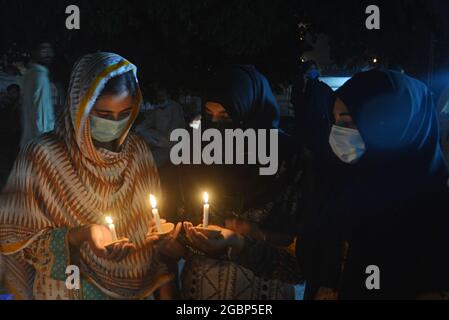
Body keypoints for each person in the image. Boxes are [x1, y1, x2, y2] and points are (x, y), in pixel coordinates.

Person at [184, 69, 449, 300]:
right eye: (335, 122)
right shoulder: (337, 188)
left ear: (393, 125)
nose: (339, 134)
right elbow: (301, 264)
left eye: (348, 122)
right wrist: (238, 244)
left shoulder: (434, 211)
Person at [0, 53, 176, 300]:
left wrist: (159, 238)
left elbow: (148, 228)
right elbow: (16, 238)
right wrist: (80, 235)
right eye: (104, 115)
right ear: (79, 106)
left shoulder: (137, 152)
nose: (115, 123)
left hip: (132, 292)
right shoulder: (42, 155)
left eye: (124, 113)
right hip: (66, 291)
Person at [175, 65, 312, 300]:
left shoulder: (289, 161)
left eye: (227, 117)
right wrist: (177, 243)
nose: (216, 128)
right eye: (209, 117)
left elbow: (300, 263)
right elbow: (184, 231)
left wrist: (248, 239)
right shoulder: (197, 157)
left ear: (252, 115)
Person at [20, 41, 56, 148]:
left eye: (50, 50)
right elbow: (42, 116)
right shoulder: (40, 77)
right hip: (39, 145)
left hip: (28, 142)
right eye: (43, 49)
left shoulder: (29, 75)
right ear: (33, 52)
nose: (49, 54)